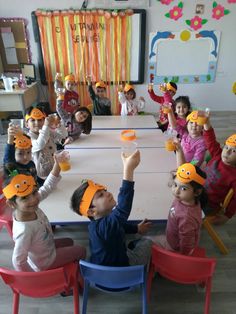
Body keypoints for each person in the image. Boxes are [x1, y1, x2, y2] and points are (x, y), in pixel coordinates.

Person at [70, 150, 152, 267]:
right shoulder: (106, 226)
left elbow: (118, 224)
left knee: (128, 238)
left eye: (105, 191)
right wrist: (128, 170)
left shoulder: (98, 224)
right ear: (92, 211)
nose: (107, 193)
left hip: (100, 272)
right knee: (148, 242)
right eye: (101, 195)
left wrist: (136, 229)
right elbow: (122, 210)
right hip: (122, 271)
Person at [2, 159, 86, 272]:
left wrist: (57, 165)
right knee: (81, 250)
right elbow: (18, 260)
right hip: (46, 262)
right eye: (25, 198)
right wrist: (35, 277)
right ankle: (79, 275)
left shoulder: (29, 207)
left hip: (46, 247)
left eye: (34, 192)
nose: (33, 199)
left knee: (69, 241)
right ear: (12, 204)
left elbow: (46, 187)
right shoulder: (24, 231)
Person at [150, 163, 207, 255]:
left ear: (197, 192)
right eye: (175, 185)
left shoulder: (186, 218)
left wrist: (180, 258)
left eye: (183, 188)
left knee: (147, 243)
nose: (176, 191)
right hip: (172, 237)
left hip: (174, 247)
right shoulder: (185, 199)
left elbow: (187, 245)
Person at [202, 116, 236, 225]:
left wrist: (227, 216)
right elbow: (210, 140)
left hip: (208, 204)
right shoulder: (217, 154)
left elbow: (235, 199)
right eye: (226, 148)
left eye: (233, 151)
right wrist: (206, 123)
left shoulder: (234, 176)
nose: (227, 152)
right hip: (197, 190)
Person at [25, 106, 68, 181]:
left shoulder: (48, 132)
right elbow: (39, 144)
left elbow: (63, 135)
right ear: (26, 124)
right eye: (32, 120)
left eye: (40, 120)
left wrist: (59, 125)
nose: (37, 123)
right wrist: (45, 126)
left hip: (54, 169)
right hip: (41, 175)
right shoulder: (27, 138)